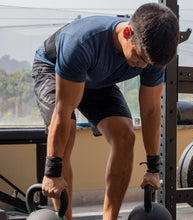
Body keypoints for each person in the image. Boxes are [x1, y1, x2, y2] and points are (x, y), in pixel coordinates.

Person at [32, 3, 179, 220]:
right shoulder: (81, 42)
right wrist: (52, 172)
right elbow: (62, 112)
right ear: (127, 32)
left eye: (148, 63)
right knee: (69, 131)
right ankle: (65, 218)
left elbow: (150, 111)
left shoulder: (152, 57)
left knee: (125, 136)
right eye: (139, 57)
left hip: (98, 81)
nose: (142, 67)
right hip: (53, 70)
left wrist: (153, 169)